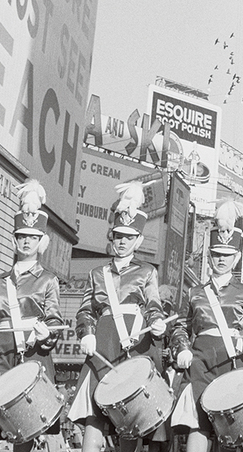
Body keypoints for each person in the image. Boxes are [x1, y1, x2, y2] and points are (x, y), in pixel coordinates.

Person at [67, 181, 170, 452]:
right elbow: (85, 310)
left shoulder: (147, 271)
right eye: (118, 235)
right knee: (94, 412)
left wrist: (157, 323)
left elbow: (153, 304)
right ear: (111, 236)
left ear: (139, 240)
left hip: (134, 342)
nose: (122, 241)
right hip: (102, 341)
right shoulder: (96, 273)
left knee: (131, 413)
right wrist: (86, 332)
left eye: (128, 236)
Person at [0, 180, 64, 452]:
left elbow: (55, 321)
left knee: (25, 425)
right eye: (21, 236)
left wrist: (46, 336)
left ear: (41, 241)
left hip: (31, 354)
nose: (26, 241)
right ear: (14, 239)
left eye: (32, 237)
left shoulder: (48, 280)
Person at [170, 199, 243, 452]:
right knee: (199, 423)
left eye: (227, 255)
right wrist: (182, 348)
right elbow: (181, 326)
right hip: (201, 361)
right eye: (216, 254)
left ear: (236, 257)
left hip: (233, 362)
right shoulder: (195, 292)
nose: (221, 259)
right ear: (209, 255)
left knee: (233, 429)